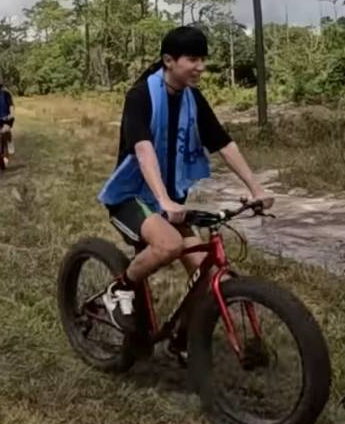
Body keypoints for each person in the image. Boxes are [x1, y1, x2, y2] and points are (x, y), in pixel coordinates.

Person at [97, 26, 273, 333]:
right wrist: (163, 199)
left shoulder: (193, 98)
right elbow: (143, 147)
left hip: (169, 201)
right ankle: (119, 288)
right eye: (193, 59)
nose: (201, 67)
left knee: (210, 277)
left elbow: (222, 143)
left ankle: (184, 341)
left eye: (203, 59)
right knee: (169, 245)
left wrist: (255, 188)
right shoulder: (140, 96)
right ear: (169, 60)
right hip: (131, 197)